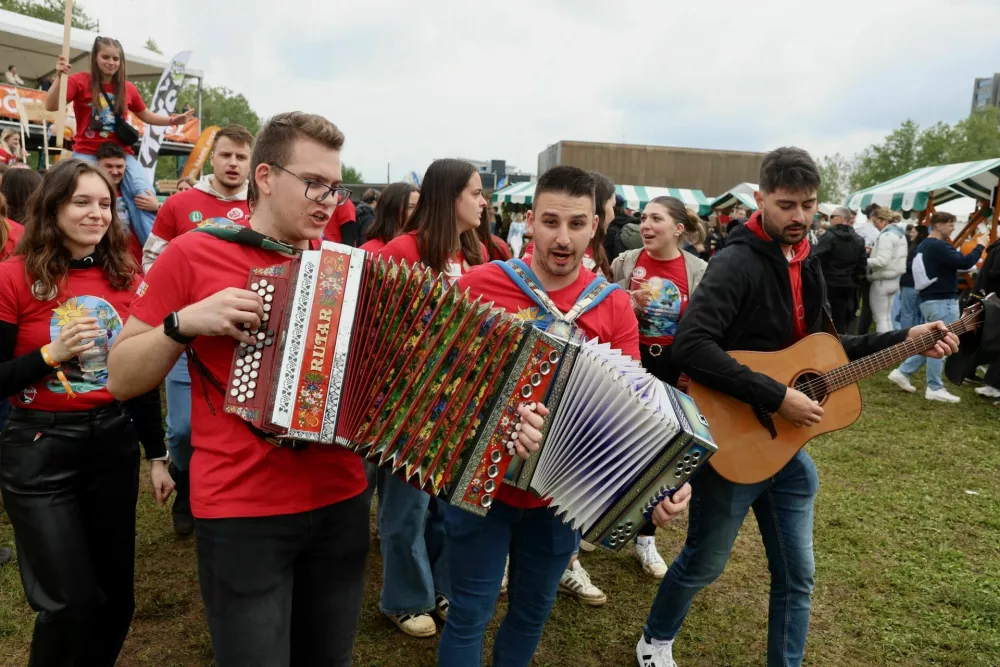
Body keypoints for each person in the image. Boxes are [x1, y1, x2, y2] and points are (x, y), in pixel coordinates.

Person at [635, 147, 958, 667]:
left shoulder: (808, 260)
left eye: (808, 205)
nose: (800, 217)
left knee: (798, 575)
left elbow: (825, 347)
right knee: (703, 562)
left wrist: (907, 337)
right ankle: (654, 641)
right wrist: (777, 396)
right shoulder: (735, 262)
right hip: (734, 438)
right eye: (787, 205)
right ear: (761, 199)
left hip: (785, 452)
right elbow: (691, 346)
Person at [107, 112, 369, 666]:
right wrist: (184, 322)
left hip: (341, 501)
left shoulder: (345, 268)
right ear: (267, 176)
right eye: (314, 184)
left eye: (335, 187)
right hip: (243, 509)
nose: (328, 200)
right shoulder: (194, 251)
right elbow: (121, 375)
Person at [438, 166, 692, 667]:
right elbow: (438, 381)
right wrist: (496, 414)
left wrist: (661, 487)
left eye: (576, 224)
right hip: (478, 485)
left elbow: (630, 411)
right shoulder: (480, 284)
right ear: (529, 221)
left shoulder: (614, 306)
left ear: (595, 226)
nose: (562, 237)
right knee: (469, 610)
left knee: (533, 611)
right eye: (550, 221)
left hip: (561, 496)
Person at [0, 159, 171, 667]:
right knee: (70, 603)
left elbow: (136, 378)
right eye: (82, 202)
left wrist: (156, 454)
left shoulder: (125, 277)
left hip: (112, 446)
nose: (96, 213)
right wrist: (48, 357)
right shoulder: (13, 277)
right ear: (52, 207)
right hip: (39, 452)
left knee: (117, 600)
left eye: (104, 203)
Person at [375, 158, 486, 636]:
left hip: (456, 400)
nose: (484, 202)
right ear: (450, 198)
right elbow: (373, 328)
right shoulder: (402, 250)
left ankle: (440, 587)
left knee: (447, 508)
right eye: (476, 193)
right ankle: (404, 598)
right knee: (406, 509)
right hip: (405, 402)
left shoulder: (473, 253)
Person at [141, 124, 254, 536]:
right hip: (185, 338)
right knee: (184, 429)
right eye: (226, 155)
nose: (233, 164)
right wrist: (186, 306)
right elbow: (151, 261)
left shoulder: (262, 206)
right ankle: (185, 481)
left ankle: (232, 504)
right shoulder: (181, 204)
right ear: (213, 158)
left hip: (241, 343)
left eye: (242, 157)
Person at [609, 196, 707, 580]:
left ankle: (645, 537)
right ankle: (598, 519)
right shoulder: (626, 262)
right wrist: (625, 299)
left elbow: (703, 326)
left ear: (678, 229)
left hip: (673, 372)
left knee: (664, 454)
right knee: (617, 443)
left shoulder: (698, 270)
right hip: (629, 364)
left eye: (656, 219)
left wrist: (690, 373)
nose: (646, 225)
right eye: (644, 217)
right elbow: (602, 300)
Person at [46, 37, 196, 253]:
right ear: (95, 58)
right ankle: (70, 249)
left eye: (116, 58)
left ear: (121, 61)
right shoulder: (79, 81)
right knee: (78, 195)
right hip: (87, 153)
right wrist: (60, 77)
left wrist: (173, 120)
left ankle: (156, 253)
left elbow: (145, 114)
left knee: (144, 195)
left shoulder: (128, 88)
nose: (111, 62)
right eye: (105, 57)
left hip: (120, 154)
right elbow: (51, 105)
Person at [887, 211, 987, 404]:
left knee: (931, 342)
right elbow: (964, 262)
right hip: (942, 300)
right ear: (938, 225)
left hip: (931, 299)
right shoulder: (939, 246)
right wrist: (980, 245)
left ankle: (903, 372)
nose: (952, 227)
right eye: (950, 224)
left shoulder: (925, 245)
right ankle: (934, 387)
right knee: (941, 342)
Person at [95, 142, 151, 271]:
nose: (115, 171)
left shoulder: (132, 193)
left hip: (138, 263)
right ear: (98, 165)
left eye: (119, 166)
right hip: (108, 262)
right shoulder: (92, 194)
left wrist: (157, 207)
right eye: (109, 166)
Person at [811, 205, 867, 333]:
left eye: (832, 217)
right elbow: (862, 266)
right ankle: (843, 345)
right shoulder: (858, 239)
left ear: (841, 218)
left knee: (827, 321)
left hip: (829, 286)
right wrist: (856, 284)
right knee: (845, 320)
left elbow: (815, 258)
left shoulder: (829, 237)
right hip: (849, 287)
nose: (829, 219)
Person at [866, 207, 908, 333]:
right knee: (888, 318)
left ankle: (883, 347)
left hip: (881, 280)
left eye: (876, 222)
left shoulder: (886, 235)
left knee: (880, 319)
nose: (875, 226)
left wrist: (862, 262)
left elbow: (882, 261)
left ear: (883, 220)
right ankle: (891, 344)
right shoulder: (899, 234)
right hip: (894, 280)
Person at [359, 181, 418, 253]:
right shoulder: (368, 252)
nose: (418, 212)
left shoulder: (424, 248)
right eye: (410, 207)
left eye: (420, 207)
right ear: (392, 210)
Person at [895, 224, 929, 331]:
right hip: (920, 284)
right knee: (916, 313)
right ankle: (916, 338)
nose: (911, 234)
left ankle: (906, 337)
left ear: (920, 234)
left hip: (910, 283)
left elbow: (915, 265)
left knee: (907, 312)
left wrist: (902, 263)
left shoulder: (916, 247)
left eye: (913, 232)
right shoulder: (925, 246)